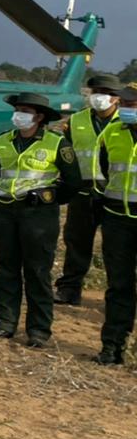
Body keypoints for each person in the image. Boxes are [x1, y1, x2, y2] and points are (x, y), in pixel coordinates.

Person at [0, 93, 81, 347]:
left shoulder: (57, 143)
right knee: (6, 269)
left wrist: (49, 198)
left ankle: (38, 331)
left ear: (38, 117)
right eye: (17, 110)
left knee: (37, 271)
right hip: (4, 211)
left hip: (38, 215)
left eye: (25, 110)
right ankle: (4, 322)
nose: (19, 115)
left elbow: (72, 182)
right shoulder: (3, 141)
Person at [55, 72, 122, 306]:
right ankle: (69, 289)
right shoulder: (75, 121)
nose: (99, 97)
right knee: (76, 242)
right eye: (96, 92)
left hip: (115, 195)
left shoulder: (127, 122)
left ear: (116, 98)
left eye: (105, 93)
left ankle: (119, 296)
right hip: (83, 192)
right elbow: (67, 155)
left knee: (117, 249)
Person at [93, 85, 137, 364]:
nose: (127, 108)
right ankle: (112, 347)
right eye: (125, 103)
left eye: (133, 103)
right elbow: (102, 171)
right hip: (117, 219)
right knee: (118, 285)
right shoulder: (112, 132)